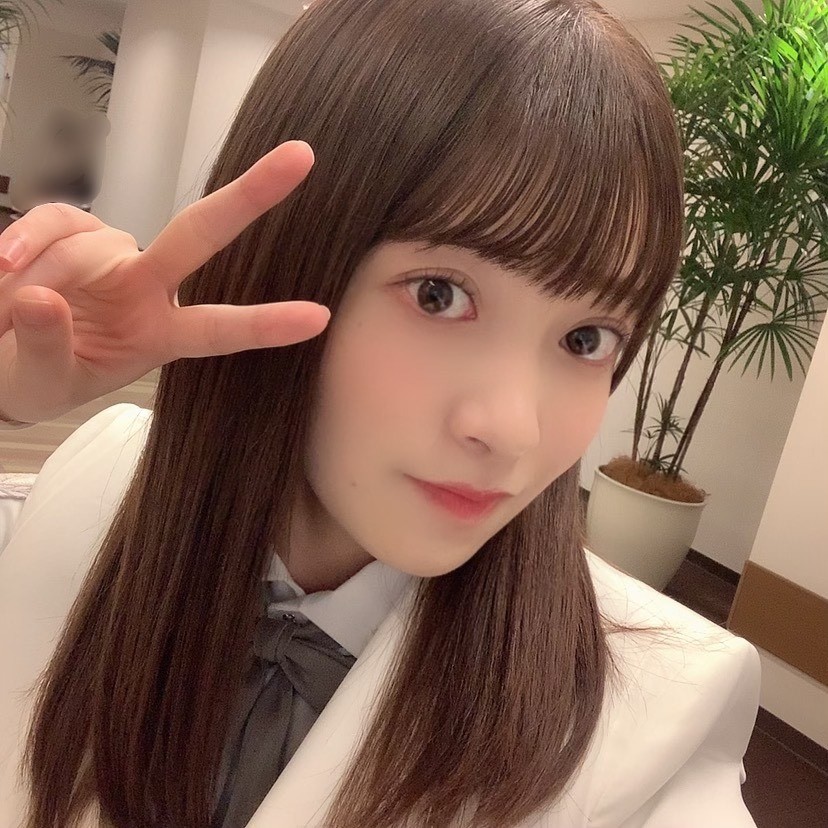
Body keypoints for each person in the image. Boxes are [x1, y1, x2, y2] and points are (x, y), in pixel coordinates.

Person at [0, 1, 761, 826]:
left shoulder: (658, 717)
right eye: (440, 295)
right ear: (288, 255)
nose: (514, 429)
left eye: (587, 338)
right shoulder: (89, 487)